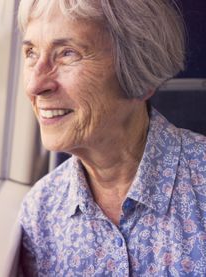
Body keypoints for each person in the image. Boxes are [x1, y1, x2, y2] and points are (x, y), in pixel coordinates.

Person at [18, 0, 206, 276]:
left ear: (139, 70)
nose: (35, 85)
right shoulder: (40, 213)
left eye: (67, 53)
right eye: (31, 52)